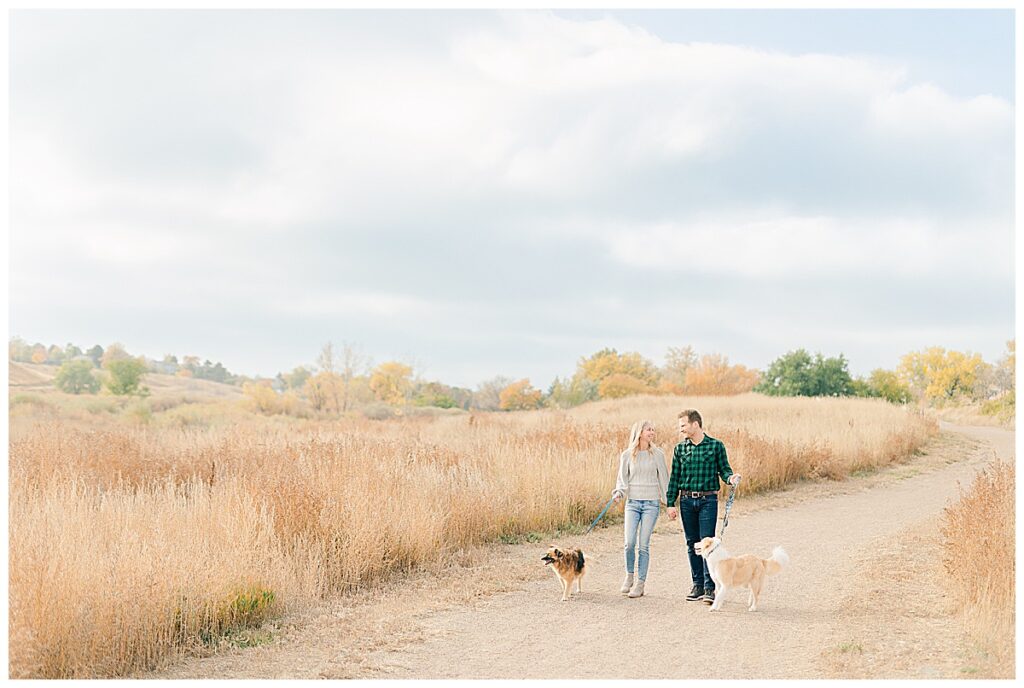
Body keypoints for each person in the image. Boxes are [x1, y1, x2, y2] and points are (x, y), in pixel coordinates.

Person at [666, 409, 741, 605]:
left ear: (695, 424)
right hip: (686, 501)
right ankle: (697, 584)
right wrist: (670, 503)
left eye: (683, 425)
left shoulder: (716, 446)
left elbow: (724, 470)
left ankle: (710, 587)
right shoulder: (680, 449)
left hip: (708, 500)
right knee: (692, 544)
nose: (680, 429)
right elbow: (675, 478)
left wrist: (730, 478)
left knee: (708, 543)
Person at [612, 419, 670, 598]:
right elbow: (622, 481)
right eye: (648, 430)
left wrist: (670, 504)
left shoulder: (658, 454)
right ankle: (629, 576)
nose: (652, 432)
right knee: (629, 543)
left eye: (653, 429)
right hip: (633, 504)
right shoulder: (627, 455)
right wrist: (619, 493)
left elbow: (664, 480)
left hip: (651, 504)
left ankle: (640, 584)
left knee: (643, 545)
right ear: (639, 433)